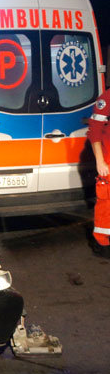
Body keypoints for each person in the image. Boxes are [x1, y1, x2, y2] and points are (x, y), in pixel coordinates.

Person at [87, 88, 110, 256]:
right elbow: (94, 130)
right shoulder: (107, 98)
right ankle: (101, 243)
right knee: (106, 203)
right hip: (108, 160)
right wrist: (100, 160)